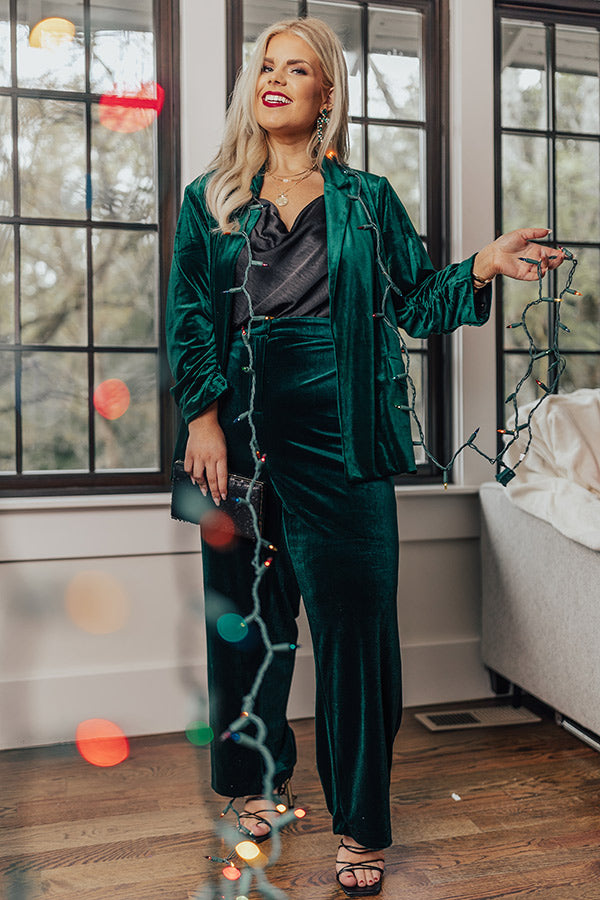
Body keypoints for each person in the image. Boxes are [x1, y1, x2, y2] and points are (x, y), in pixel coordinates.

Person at [166, 17, 564, 896]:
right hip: (234, 436)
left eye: (297, 68)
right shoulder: (211, 198)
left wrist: (484, 265)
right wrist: (201, 418)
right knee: (247, 626)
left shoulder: (368, 199)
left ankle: (361, 823)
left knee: (357, 637)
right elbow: (189, 315)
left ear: (326, 94)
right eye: (265, 66)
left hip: (344, 436)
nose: (275, 79)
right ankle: (253, 784)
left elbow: (417, 302)